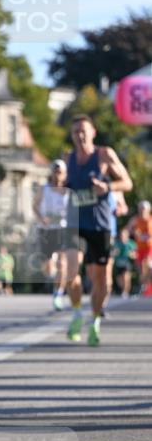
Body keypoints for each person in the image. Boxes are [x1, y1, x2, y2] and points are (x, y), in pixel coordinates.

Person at [64, 115, 132, 345]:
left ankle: (94, 321)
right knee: (71, 272)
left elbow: (128, 183)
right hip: (76, 224)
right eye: (75, 132)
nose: (80, 136)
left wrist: (108, 187)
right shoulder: (67, 159)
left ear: (93, 132)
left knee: (100, 280)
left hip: (101, 225)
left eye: (83, 131)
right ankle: (75, 314)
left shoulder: (104, 155)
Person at [33, 159, 69, 310]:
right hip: (46, 229)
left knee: (62, 263)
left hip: (62, 228)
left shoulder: (69, 190)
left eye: (60, 172)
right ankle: (53, 275)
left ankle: (58, 293)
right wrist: (42, 219)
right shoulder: (44, 188)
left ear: (65, 174)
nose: (57, 174)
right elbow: (34, 206)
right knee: (48, 267)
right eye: (55, 171)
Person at [126, 200, 152, 296]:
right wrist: (133, 233)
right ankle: (145, 287)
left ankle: (145, 287)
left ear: (148, 210)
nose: (142, 211)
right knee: (141, 269)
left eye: (144, 209)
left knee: (147, 265)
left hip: (150, 248)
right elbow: (127, 230)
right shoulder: (135, 220)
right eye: (140, 209)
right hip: (139, 248)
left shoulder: (150, 220)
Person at [112, 227, 136, 298]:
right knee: (119, 280)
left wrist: (131, 254)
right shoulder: (117, 243)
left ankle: (125, 292)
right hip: (119, 263)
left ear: (127, 236)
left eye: (124, 235)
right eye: (121, 235)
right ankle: (123, 290)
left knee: (126, 277)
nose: (123, 237)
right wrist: (115, 253)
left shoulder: (131, 243)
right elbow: (113, 253)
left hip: (127, 263)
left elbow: (135, 254)